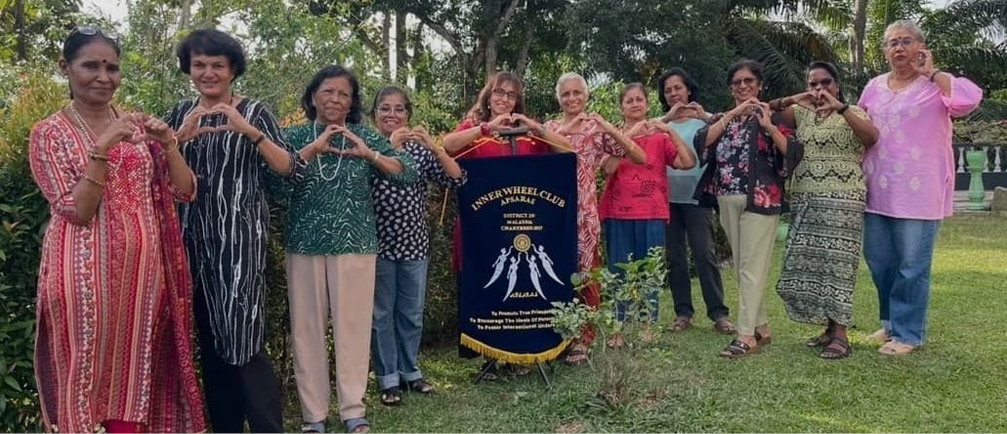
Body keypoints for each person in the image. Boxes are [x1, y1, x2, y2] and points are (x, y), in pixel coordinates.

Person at [29, 26, 205, 433]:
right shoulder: (49, 133)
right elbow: (76, 210)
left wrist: (168, 144)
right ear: (66, 68)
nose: (103, 76)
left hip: (143, 277)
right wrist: (102, 147)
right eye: (90, 65)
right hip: (82, 276)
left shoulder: (134, 126)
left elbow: (184, 190)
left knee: (134, 373)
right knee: (82, 369)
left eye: (111, 67)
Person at [164, 28, 305, 433]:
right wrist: (178, 138)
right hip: (191, 244)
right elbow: (158, 175)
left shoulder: (255, 112)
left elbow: (290, 170)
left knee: (243, 339)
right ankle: (225, 426)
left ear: (233, 70)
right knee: (209, 341)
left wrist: (247, 129)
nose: (208, 73)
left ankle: (266, 427)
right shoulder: (179, 113)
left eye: (217, 65)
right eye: (199, 65)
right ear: (189, 69)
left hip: (240, 243)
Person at [277, 66, 417, 433]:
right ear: (312, 97)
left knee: (353, 328)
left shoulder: (364, 136)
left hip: (356, 243)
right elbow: (273, 184)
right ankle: (313, 416)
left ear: (352, 102)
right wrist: (311, 150)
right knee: (306, 330)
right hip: (305, 243)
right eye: (328, 92)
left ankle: (353, 409)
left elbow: (406, 171)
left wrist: (368, 154)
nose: (335, 99)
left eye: (344, 94)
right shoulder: (292, 137)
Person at [857, 20, 982, 355]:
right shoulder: (873, 86)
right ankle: (889, 323)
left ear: (921, 47)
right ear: (884, 51)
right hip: (876, 188)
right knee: (879, 260)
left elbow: (968, 101)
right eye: (892, 42)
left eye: (906, 41)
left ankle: (909, 334)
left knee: (912, 265)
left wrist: (933, 73)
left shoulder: (936, 86)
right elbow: (860, 126)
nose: (899, 48)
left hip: (919, 191)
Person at [442, 71, 572, 378]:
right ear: (488, 96)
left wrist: (535, 127)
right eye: (498, 93)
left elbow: (568, 150)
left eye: (510, 95)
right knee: (486, 286)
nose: (503, 99)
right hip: (481, 231)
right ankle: (489, 354)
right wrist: (485, 128)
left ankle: (521, 353)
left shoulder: (528, 132)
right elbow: (447, 146)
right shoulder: (475, 128)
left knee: (523, 286)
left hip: (522, 227)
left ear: (518, 101)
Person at [694, 59, 803, 359]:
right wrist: (733, 115)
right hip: (726, 197)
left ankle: (745, 336)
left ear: (759, 85)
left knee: (751, 268)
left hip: (761, 199)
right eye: (737, 82)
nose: (743, 86)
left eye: (749, 81)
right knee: (744, 266)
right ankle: (762, 327)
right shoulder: (723, 117)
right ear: (731, 88)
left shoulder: (774, 114)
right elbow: (701, 142)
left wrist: (768, 126)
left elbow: (793, 153)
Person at [770, 61, 879, 359]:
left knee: (839, 266)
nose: (819, 89)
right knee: (813, 265)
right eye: (813, 84)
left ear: (837, 84)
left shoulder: (853, 112)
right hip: (806, 197)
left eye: (825, 83)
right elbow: (767, 111)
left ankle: (842, 334)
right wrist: (795, 98)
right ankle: (829, 329)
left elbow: (871, 138)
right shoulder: (802, 113)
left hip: (843, 200)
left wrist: (840, 107)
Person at [369, 85, 464, 405]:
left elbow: (457, 178)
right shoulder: (366, 145)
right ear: (375, 114)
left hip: (414, 244)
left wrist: (435, 147)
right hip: (377, 244)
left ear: (408, 115)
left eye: (399, 109)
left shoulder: (420, 151)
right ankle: (387, 378)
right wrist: (387, 146)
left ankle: (410, 371)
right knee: (381, 314)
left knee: (411, 312)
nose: (392, 114)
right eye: (385, 108)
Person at [544, 72, 645, 364]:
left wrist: (608, 128)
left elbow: (637, 156)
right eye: (566, 94)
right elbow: (552, 147)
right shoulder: (549, 127)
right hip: (554, 212)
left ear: (587, 95)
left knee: (587, 275)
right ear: (559, 98)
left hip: (585, 213)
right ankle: (557, 337)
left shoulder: (596, 129)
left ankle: (583, 338)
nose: (572, 98)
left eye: (578, 93)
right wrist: (574, 124)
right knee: (556, 274)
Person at [599, 83, 696, 348]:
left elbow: (688, 163)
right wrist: (629, 136)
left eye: (639, 99)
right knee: (618, 271)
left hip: (651, 212)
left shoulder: (659, 138)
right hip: (617, 212)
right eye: (628, 100)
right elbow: (607, 168)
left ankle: (648, 325)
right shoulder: (612, 135)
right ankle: (618, 328)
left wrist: (670, 131)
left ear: (647, 104)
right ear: (621, 107)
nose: (634, 104)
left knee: (649, 272)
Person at [656, 67, 735, 335]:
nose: (673, 93)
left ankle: (718, 314)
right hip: (667, 199)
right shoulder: (662, 124)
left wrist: (705, 115)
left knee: (704, 254)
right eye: (668, 90)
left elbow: (731, 125)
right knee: (675, 257)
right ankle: (683, 313)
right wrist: (667, 117)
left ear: (688, 89)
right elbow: (643, 129)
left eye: (678, 88)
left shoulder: (705, 121)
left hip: (696, 198)